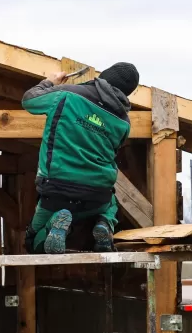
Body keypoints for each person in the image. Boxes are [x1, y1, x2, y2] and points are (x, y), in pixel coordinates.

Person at [21, 62, 140, 254]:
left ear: (104, 78)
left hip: (56, 189)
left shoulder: (66, 94)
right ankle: (104, 226)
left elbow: (29, 100)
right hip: (97, 194)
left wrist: (50, 82)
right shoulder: (124, 122)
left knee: (31, 241)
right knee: (111, 205)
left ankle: (55, 223)